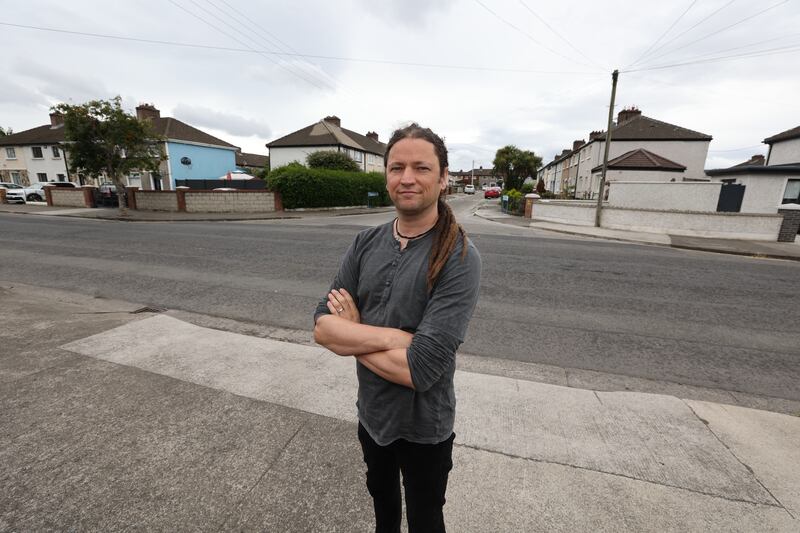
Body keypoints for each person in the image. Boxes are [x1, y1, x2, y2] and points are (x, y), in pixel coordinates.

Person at [313, 123, 481, 532]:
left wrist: (352, 333)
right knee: (383, 510)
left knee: (426, 520)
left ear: (443, 179)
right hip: (372, 416)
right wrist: (393, 338)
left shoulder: (459, 256)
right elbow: (321, 325)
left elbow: (420, 370)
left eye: (421, 168)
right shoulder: (364, 242)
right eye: (397, 167)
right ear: (386, 175)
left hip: (425, 428)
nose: (407, 178)